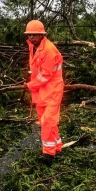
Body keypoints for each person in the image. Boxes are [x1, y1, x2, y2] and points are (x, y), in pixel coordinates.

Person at [24, 20, 64, 166]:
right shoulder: (32, 47)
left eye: (35, 34)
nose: (32, 37)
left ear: (42, 35)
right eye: (29, 35)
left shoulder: (49, 50)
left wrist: (30, 85)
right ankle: (57, 146)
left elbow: (45, 75)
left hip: (52, 91)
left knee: (47, 121)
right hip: (41, 91)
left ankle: (48, 154)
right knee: (45, 121)